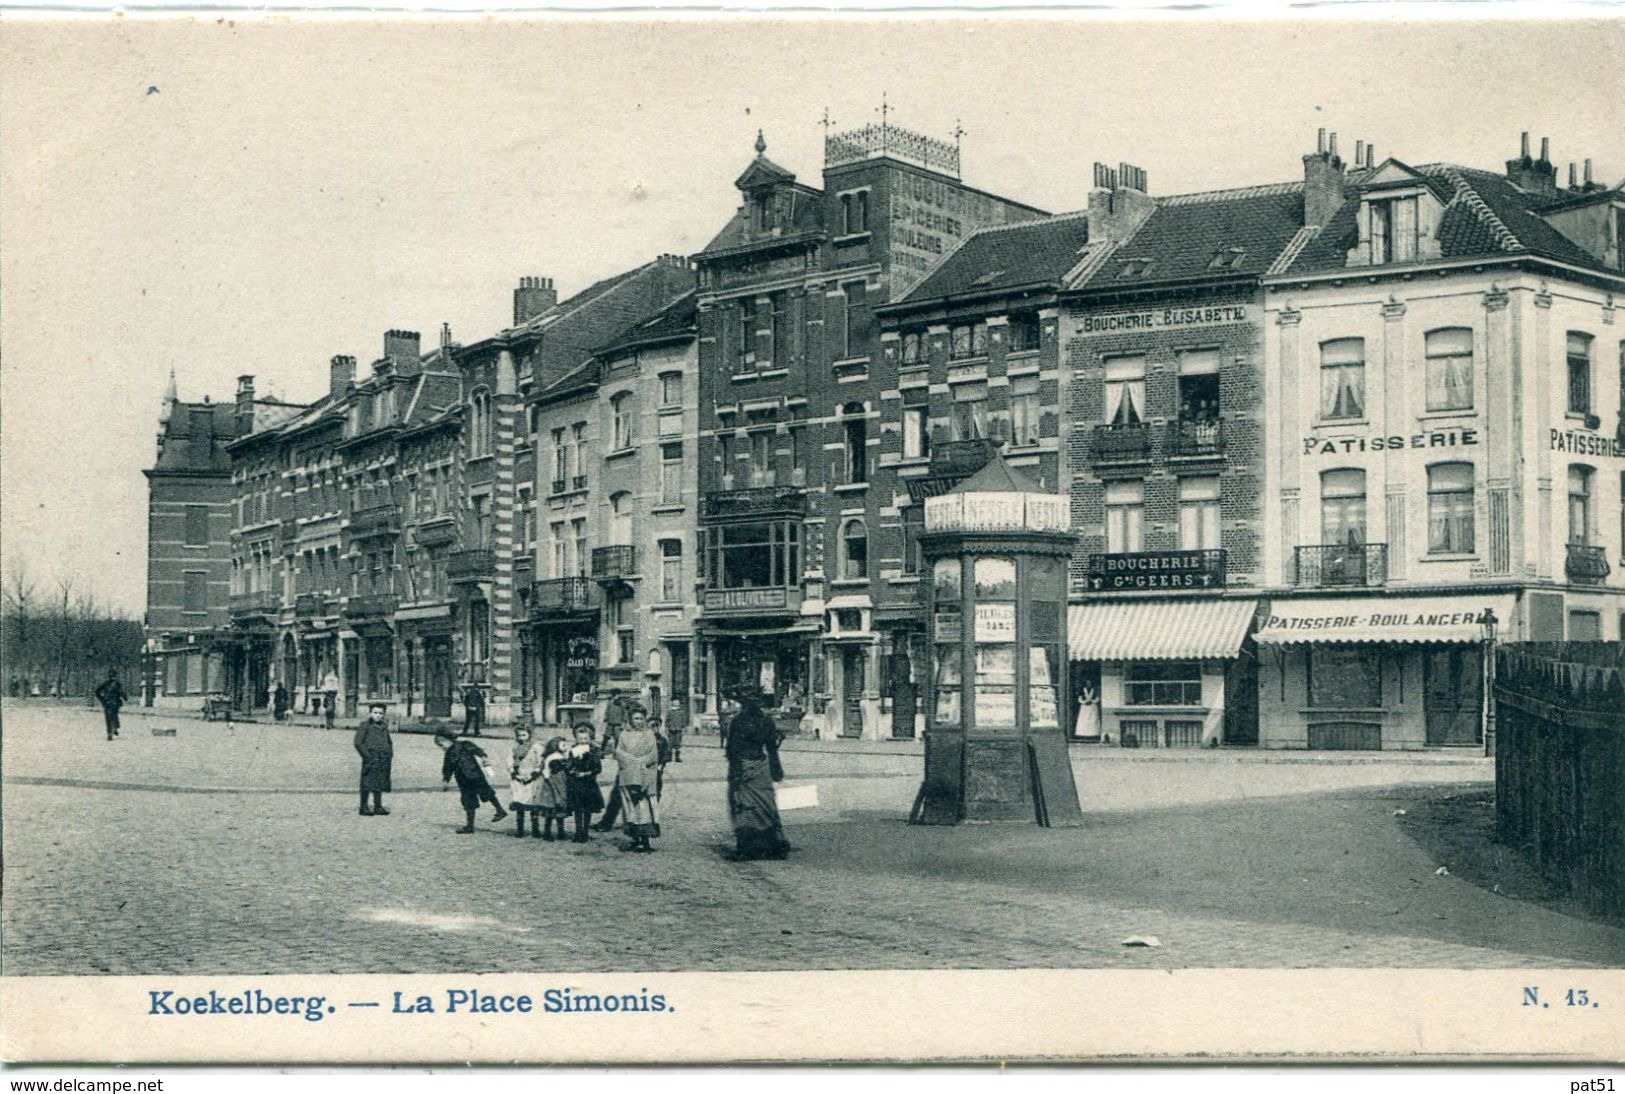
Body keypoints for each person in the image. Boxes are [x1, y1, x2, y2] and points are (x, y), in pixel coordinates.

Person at [725, 691, 791, 860]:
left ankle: (747, 847)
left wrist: (735, 774)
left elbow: (732, 749)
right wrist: (777, 772)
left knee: (744, 807)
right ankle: (773, 844)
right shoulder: (767, 721)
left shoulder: (738, 721)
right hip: (762, 767)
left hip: (743, 766)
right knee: (766, 805)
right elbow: (771, 749)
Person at [435, 729, 508, 834]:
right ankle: (470, 826)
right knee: (468, 801)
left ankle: (500, 810)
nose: (442, 748)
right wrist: (446, 780)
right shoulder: (448, 754)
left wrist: (484, 757)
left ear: (449, 740)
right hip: (463, 780)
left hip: (475, 775)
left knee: (487, 793)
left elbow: (477, 750)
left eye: (442, 745)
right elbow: (447, 768)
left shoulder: (464, 744)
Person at [613, 707, 662, 854]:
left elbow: (653, 754)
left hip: (645, 775)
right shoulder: (623, 735)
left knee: (644, 806)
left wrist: (641, 761)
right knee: (630, 806)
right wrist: (631, 760)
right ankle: (635, 838)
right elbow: (619, 752)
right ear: (630, 720)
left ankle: (645, 840)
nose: (638, 722)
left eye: (641, 718)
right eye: (636, 718)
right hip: (628, 775)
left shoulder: (649, 735)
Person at [563, 723, 604, 843]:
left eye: (586, 739)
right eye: (580, 739)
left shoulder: (593, 751)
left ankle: (585, 832)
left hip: (589, 784)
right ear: (576, 738)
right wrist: (571, 770)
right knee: (577, 809)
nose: (583, 741)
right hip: (576, 785)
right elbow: (568, 766)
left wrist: (586, 773)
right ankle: (578, 832)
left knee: (587, 809)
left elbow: (598, 768)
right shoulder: (573, 750)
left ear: (590, 739)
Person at [353, 702, 394, 816]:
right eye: (375, 712)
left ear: (384, 714)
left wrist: (389, 753)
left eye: (380, 713)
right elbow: (358, 743)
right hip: (371, 758)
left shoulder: (384, 726)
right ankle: (364, 806)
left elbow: (388, 741)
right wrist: (367, 756)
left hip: (383, 759)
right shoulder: (365, 725)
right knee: (367, 782)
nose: (378, 715)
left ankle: (378, 806)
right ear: (370, 713)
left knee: (380, 782)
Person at [507, 722, 545, 839]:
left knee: (533, 805)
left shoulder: (536, 747)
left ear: (529, 734)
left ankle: (535, 829)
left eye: (524, 735)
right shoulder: (514, 747)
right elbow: (509, 761)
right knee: (519, 804)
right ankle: (520, 830)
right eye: (519, 735)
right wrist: (514, 772)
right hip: (519, 778)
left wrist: (533, 774)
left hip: (532, 778)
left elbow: (541, 761)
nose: (521, 738)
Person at [536, 735, 571, 841]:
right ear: (556, 746)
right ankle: (549, 833)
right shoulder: (554, 758)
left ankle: (559, 832)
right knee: (552, 811)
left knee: (557, 811)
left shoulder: (558, 756)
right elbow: (556, 771)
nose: (566, 746)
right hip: (553, 785)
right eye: (563, 745)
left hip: (558, 783)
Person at [93, 669, 125, 741]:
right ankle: (113, 729)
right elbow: (121, 692)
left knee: (109, 718)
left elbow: (97, 692)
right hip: (114, 703)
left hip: (107, 703)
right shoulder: (117, 684)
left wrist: (102, 699)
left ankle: (111, 732)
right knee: (114, 716)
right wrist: (125, 697)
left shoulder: (106, 684)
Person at [666, 697, 687, 762]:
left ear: (679, 703)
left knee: (678, 744)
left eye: (677, 702)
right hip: (671, 729)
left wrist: (683, 729)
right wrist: (666, 728)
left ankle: (677, 758)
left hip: (679, 730)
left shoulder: (681, 712)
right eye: (674, 702)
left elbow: (683, 721)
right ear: (672, 703)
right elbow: (667, 720)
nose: (676, 703)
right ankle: (669, 757)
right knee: (670, 744)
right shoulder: (670, 711)